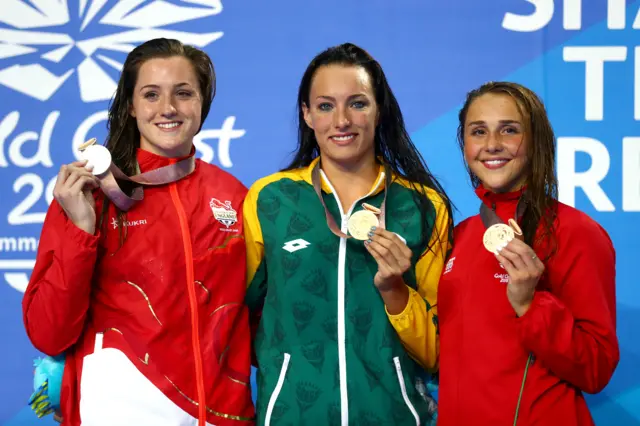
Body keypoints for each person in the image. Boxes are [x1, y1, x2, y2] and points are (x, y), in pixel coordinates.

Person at [22, 38, 254, 426]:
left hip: (221, 414)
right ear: (130, 105)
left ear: (202, 103)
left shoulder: (233, 196)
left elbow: (261, 316)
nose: (168, 108)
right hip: (119, 411)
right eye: (151, 94)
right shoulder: (91, 195)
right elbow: (49, 333)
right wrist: (82, 230)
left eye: (183, 93)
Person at [243, 42, 453, 425]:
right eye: (325, 106)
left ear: (379, 110)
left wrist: (396, 291)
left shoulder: (422, 206)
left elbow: (437, 351)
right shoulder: (269, 200)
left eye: (357, 103)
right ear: (307, 115)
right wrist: (289, 368)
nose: (341, 120)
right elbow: (239, 315)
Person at [436, 81, 619, 425]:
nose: (492, 144)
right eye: (478, 131)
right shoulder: (460, 237)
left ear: (536, 141)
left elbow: (596, 367)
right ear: (465, 145)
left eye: (509, 130)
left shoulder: (575, 232)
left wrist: (530, 305)